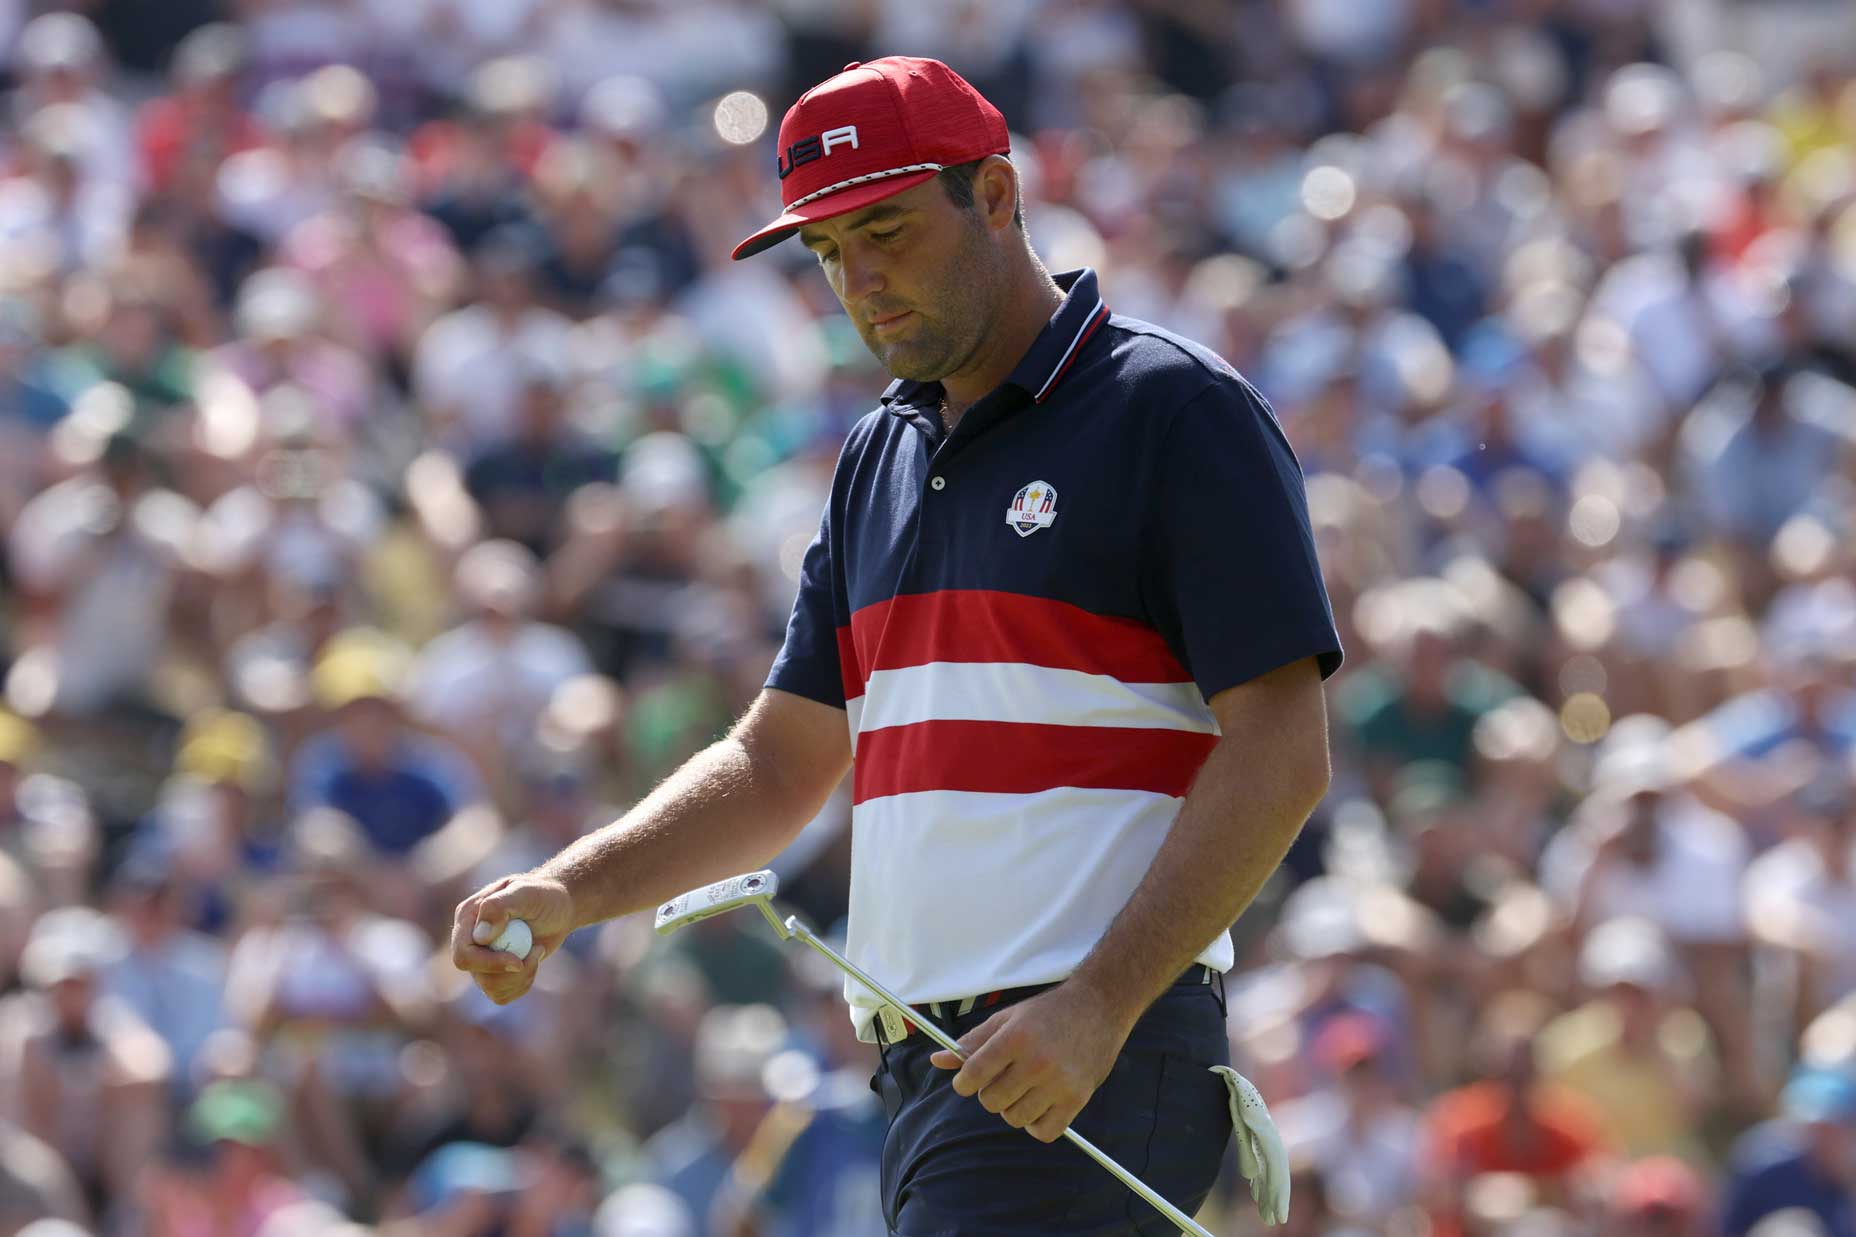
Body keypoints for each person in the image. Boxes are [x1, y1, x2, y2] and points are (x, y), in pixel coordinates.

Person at [453, 55, 1340, 1233]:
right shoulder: (873, 454)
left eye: (884, 229)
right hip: (933, 1069)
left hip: (1082, 1052)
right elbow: (778, 764)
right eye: (827, 254)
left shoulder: (1170, 410)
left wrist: (1096, 1004)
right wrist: (572, 886)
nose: (859, 280)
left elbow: (1283, 752)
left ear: (995, 196)